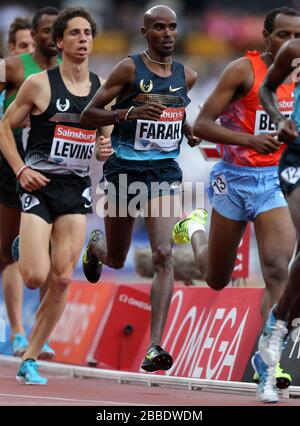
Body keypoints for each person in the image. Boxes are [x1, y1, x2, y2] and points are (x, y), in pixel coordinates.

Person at [172, 7, 300, 388]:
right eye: (282, 35)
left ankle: (268, 359)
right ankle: (193, 228)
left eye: (297, 36)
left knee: (277, 268)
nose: (291, 43)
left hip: (276, 181)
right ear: (265, 37)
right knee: (215, 278)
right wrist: (249, 139)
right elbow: (202, 125)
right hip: (233, 179)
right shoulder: (242, 71)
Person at [80, 5, 200, 373]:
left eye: (172, 27)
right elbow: (88, 115)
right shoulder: (129, 68)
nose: (167, 33)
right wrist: (125, 114)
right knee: (117, 258)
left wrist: (186, 130)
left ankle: (155, 346)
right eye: (159, 27)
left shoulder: (187, 75)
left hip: (164, 173)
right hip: (124, 173)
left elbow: (174, 112)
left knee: (164, 254)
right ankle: (96, 247)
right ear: (145, 31)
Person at [0, 6, 103, 385]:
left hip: (75, 192)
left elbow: (104, 136)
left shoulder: (100, 87)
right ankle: (23, 248)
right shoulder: (39, 84)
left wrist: (105, 147)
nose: (82, 39)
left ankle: (30, 358)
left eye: (87, 33)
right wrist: (21, 169)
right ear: (59, 42)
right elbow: (3, 128)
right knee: (33, 277)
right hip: (39, 186)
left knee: (61, 280)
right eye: (74, 33)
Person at [0, 7, 60, 358]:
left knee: (51, 256)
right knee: (7, 252)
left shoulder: (68, 75)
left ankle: (37, 334)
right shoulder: (14, 67)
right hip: (11, 166)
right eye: (46, 31)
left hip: (51, 170)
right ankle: (17, 331)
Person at [251, 34, 300, 403]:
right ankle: (279, 328)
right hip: (297, 158)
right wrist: (280, 118)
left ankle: (279, 322)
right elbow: (267, 89)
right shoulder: (294, 50)